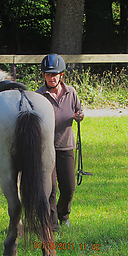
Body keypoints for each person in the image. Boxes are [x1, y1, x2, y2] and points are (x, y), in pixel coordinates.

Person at [36, 54, 84, 231]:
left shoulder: (71, 92)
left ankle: (64, 214)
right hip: (46, 148)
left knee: (69, 187)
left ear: (61, 75)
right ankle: (52, 223)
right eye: (48, 74)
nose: (51, 77)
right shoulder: (38, 96)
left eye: (55, 74)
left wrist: (80, 116)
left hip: (66, 145)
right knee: (51, 189)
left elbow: (79, 111)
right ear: (44, 76)